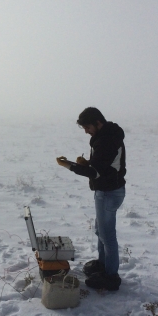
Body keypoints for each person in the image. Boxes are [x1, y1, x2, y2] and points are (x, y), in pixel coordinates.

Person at [56, 107, 126, 291]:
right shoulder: (105, 136)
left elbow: (95, 172)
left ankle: (111, 276)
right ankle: (102, 265)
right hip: (107, 190)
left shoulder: (107, 140)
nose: (86, 131)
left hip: (109, 192)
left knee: (107, 235)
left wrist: (69, 166)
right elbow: (102, 165)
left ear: (98, 123)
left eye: (87, 127)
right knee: (100, 231)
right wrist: (87, 163)